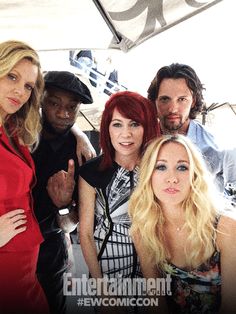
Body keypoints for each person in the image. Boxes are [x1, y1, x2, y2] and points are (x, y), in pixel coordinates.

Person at [129, 135, 236, 313]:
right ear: (149, 175)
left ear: (195, 175)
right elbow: (156, 301)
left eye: (182, 167)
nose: (172, 178)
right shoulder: (144, 229)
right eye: (161, 167)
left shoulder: (226, 228)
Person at [79, 91, 158, 307]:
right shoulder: (90, 172)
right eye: (117, 124)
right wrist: (102, 291)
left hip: (155, 272)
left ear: (147, 126)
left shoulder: (157, 169)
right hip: (108, 270)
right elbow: (85, 233)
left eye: (134, 124)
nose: (126, 134)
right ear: (107, 128)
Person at [32, 70, 94, 314]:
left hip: (50, 251)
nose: (63, 113)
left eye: (72, 106)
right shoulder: (20, 135)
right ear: (40, 100)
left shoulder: (83, 156)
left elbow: (70, 226)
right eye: (54, 103)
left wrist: (63, 204)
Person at [0, 40, 49, 314]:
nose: (20, 91)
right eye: (12, 76)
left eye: (29, 86)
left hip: (26, 279)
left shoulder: (14, 130)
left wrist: (79, 135)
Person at [147, 63, 236, 202]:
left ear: (193, 101)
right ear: (154, 101)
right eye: (165, 99)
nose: (173, 109)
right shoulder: (141, 143)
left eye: (182, 99)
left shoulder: (219, 147)